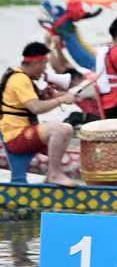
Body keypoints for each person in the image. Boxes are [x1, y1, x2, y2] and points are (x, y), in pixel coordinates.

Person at [2, 42, 78, 183]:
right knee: (60, 130)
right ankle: (54, 174)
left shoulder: (23, 77)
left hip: (22, 132)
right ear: (36, 63)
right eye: (44, 64)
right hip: (16, 136)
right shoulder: (19, 79)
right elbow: (36, 108)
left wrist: (47, 95)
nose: (45, 69)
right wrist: (61, 100)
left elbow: (26, 104)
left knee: (67, 130)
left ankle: (54, 173)